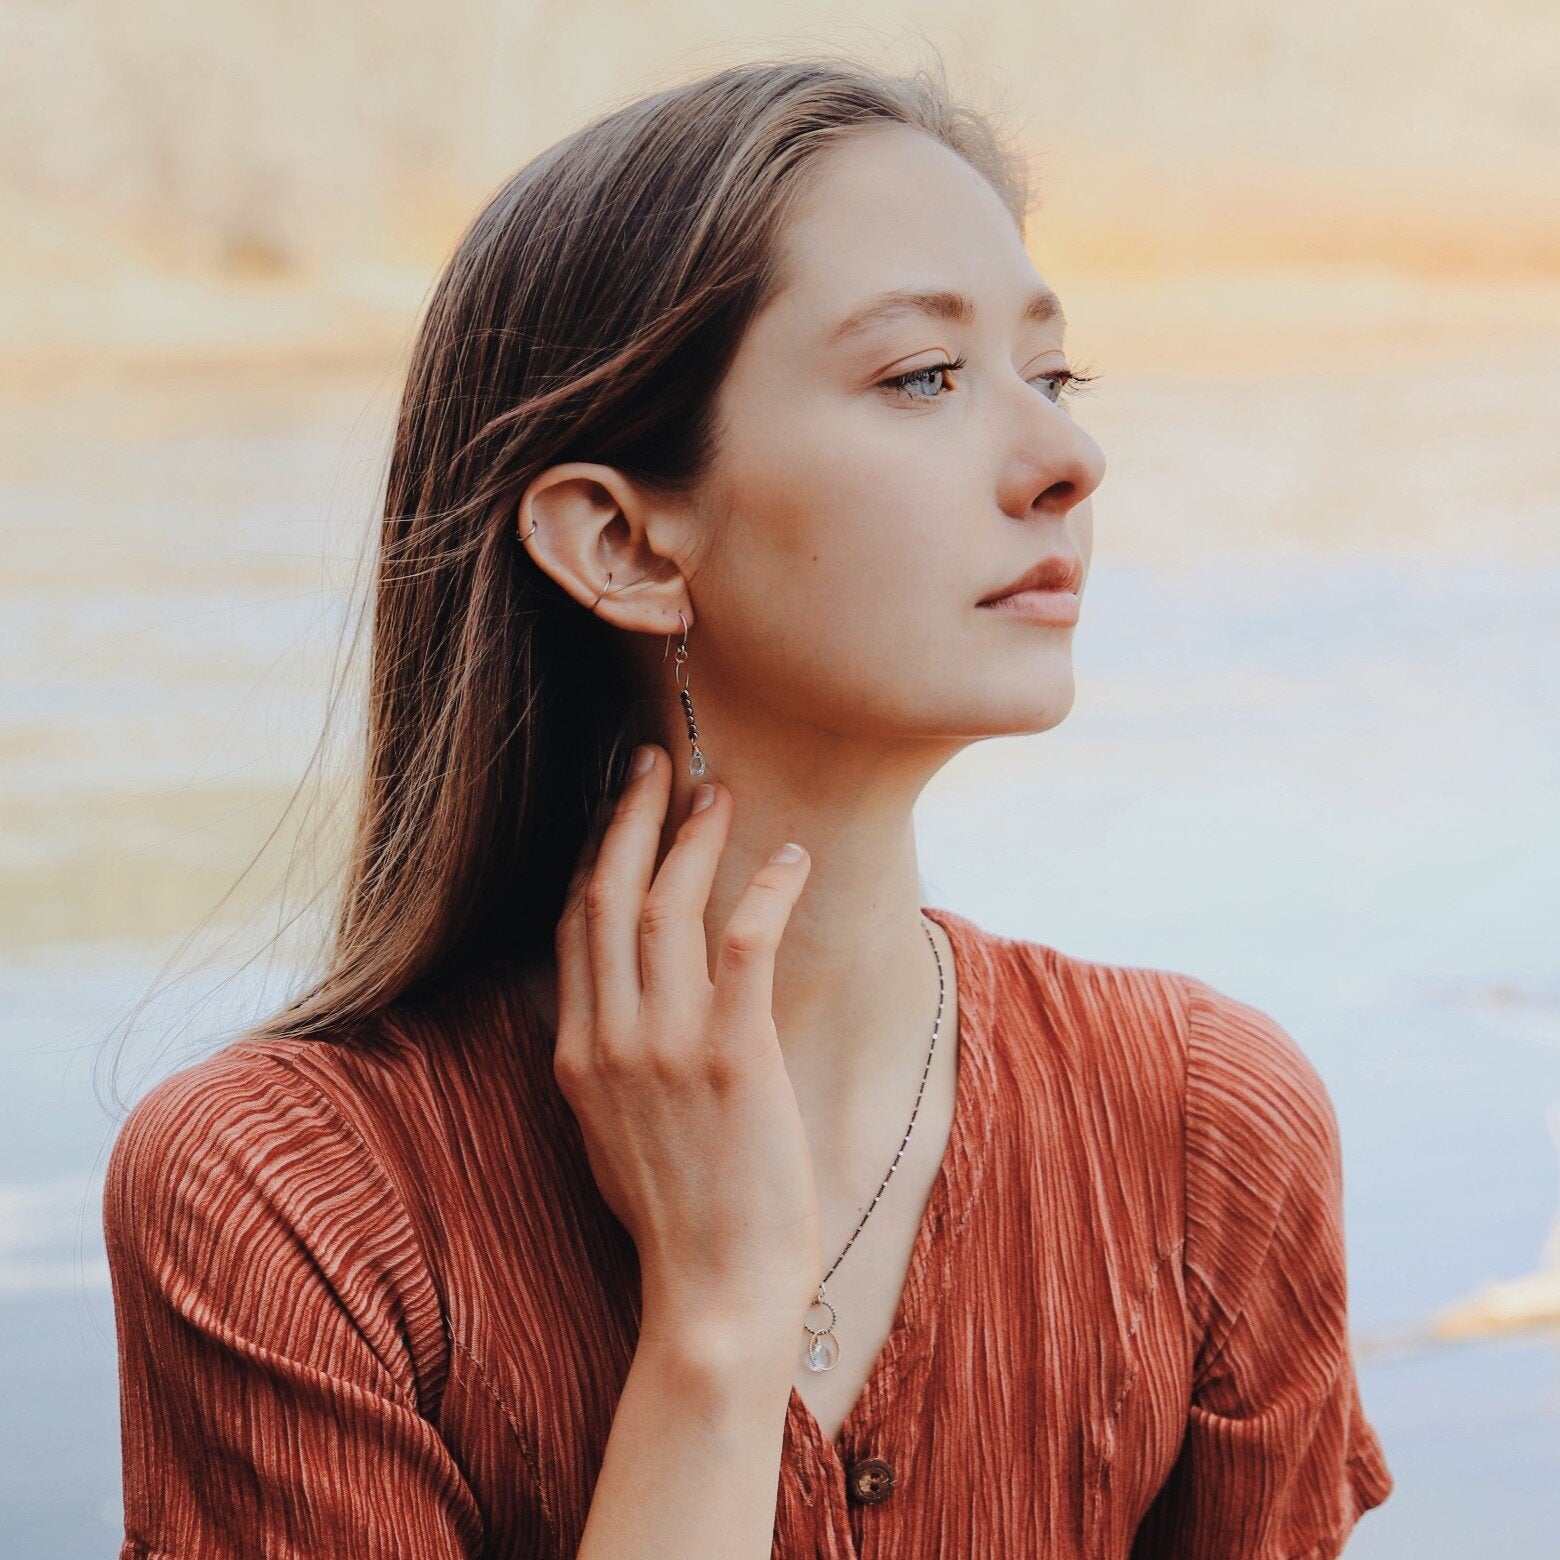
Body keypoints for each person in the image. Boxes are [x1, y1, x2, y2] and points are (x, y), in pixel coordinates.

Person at [102, 52, 1393, 1558]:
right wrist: (715, 1333)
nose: (1064, 459)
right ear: (621, 543)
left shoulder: (1206, 1127)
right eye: (922, 377)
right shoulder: (287, 1197)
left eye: (1052, 377)